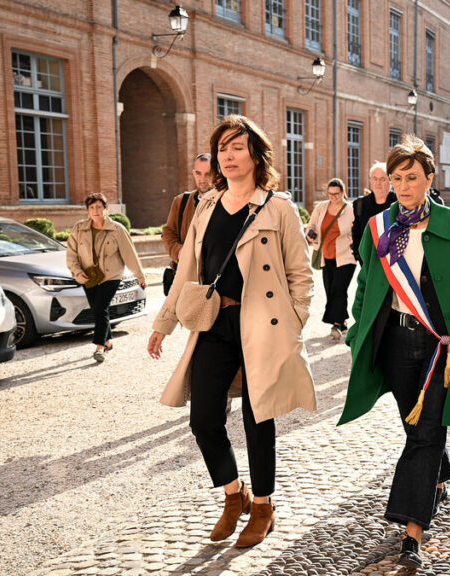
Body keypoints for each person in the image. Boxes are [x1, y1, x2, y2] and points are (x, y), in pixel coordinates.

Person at [147, 115, 317, 548]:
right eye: (222, 147)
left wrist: (294, 320)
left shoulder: (277, 207)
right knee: (203, 418)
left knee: (259, 417)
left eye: (237, 147)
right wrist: (163, 325)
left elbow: (301, 273)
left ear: (257, 155)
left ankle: (262, 505)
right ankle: (233, 492)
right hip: (214, 324)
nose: (227, 154)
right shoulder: (206, 206)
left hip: (263, 323)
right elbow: (186, 267)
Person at [338, 136, 450, 569]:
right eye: (397, 178)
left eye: (412, 178)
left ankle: (410, 532)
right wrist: (356, 329)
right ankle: (437, 477)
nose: (403, 186)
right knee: (416, 426)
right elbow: (366, 283)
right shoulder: (377, 227)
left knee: (425, 433)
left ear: (429, 178)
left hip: (440, 346)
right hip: (394, 342)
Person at [66, 193, 148, 362]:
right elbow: (71, 253)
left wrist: (140, 276)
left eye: (99, 207)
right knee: (97, 309)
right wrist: (76, 272)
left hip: (111, 275)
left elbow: (129, 255)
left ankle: (99, 347)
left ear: (106, 209)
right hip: (88, 276)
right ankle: (108, 341)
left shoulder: (117, 229)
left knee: (100, 308)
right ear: (88, 210)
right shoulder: (79, 228)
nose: (95, 211)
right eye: (91, 207)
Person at [307, 178, 356, 339]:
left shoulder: (349, 210)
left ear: (343, 192)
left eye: (336, 194)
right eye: (330, 194)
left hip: (346, 256)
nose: (333, 197)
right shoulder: (321, 208)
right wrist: (310, 234)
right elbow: (311, 225)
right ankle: (341, 323)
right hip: (325, 256)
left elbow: (357, 230)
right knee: (330, 290)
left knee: (339, 289)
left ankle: (336, 324)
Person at [162, 154, 215, 296]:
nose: (202, 179)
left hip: (214, 279)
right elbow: (168, 232)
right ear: (193, 173)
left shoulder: (227, 201)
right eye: (198, 173)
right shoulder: (181, 201)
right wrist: (179, 252)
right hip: (186, 278)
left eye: (208, 174)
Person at [352, 162, 398, 265]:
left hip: (393, 262)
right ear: (370, 181)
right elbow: (356, 232)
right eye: (374, 179)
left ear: (390, 181)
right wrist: (358, 254)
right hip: (368, 260)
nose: (378, 183)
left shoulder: (400, 203)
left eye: (382, 179)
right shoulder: (360, 204)